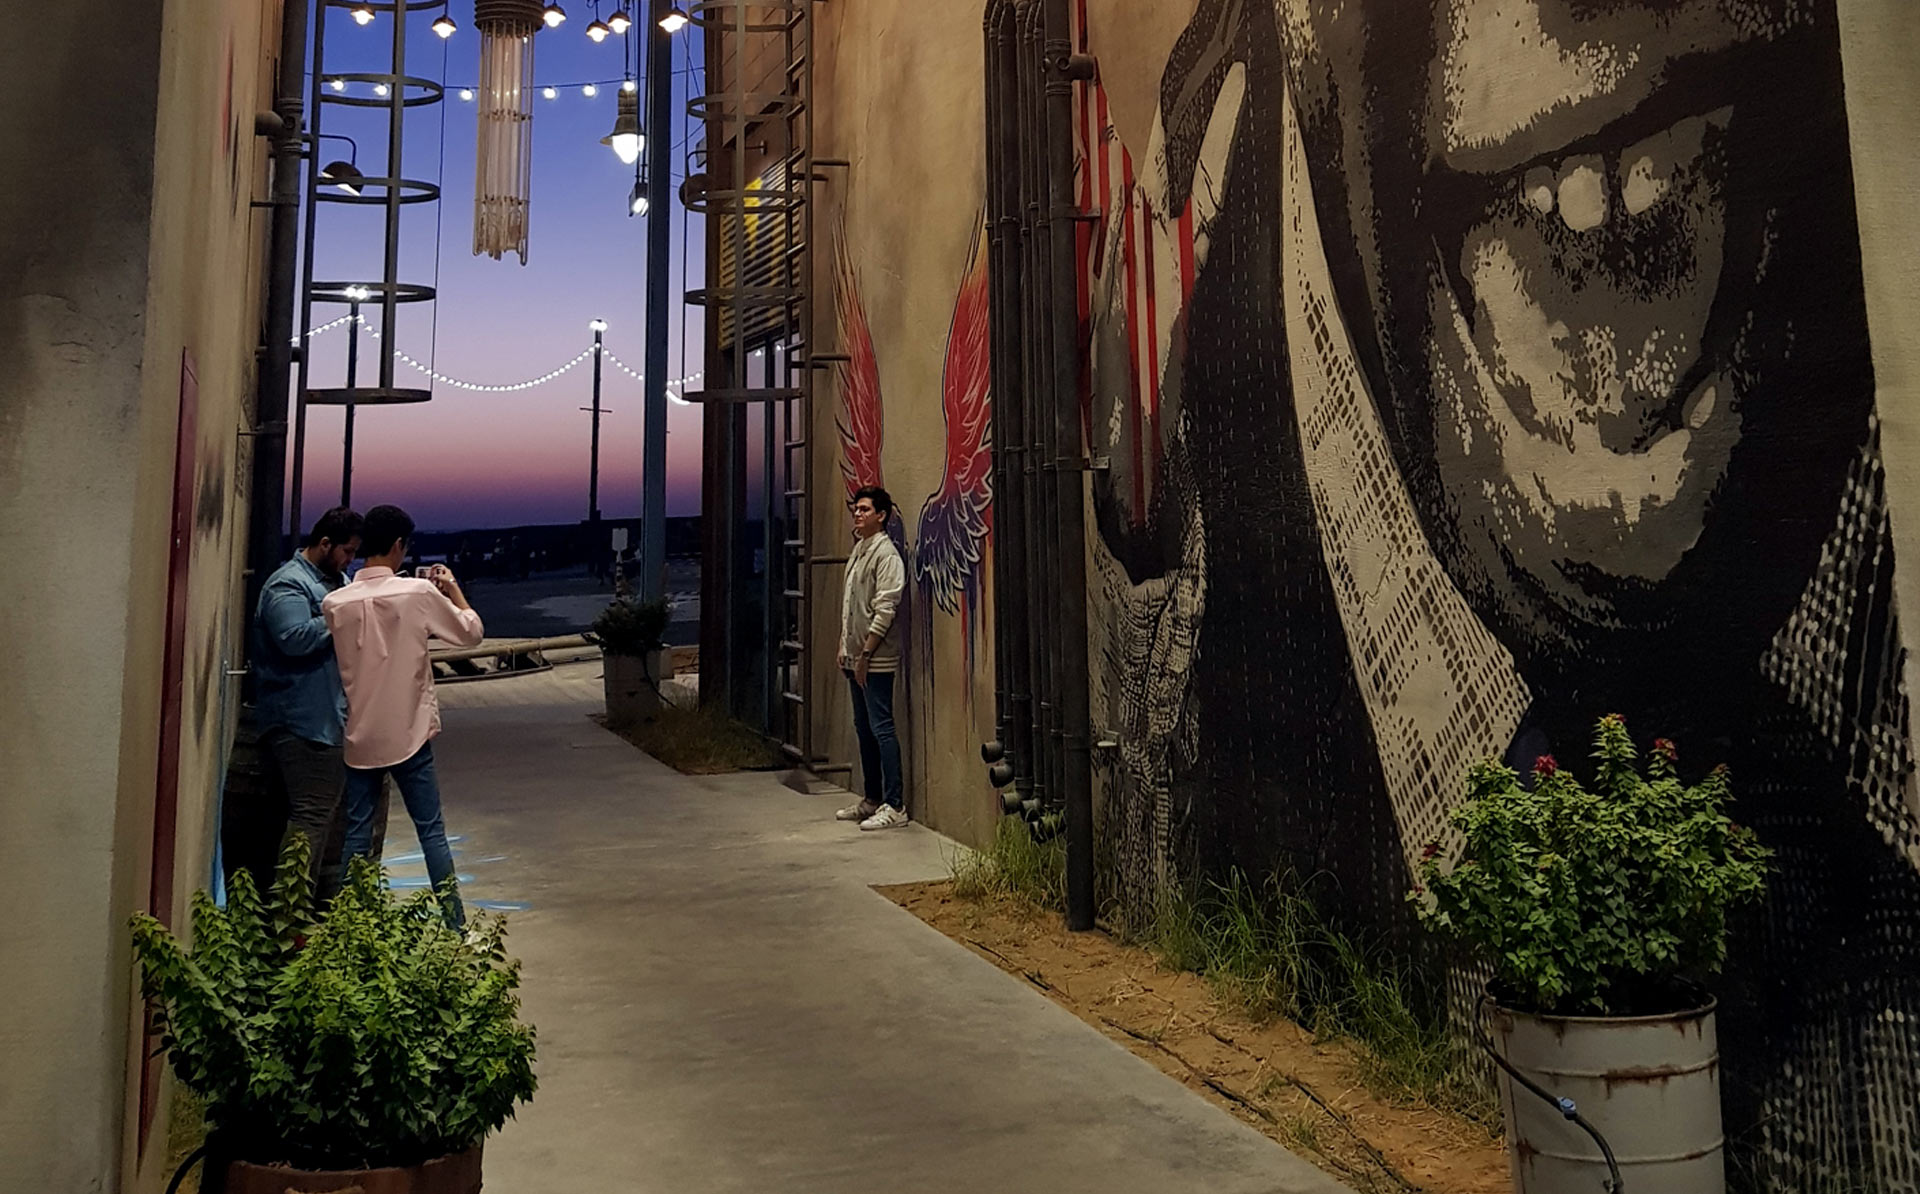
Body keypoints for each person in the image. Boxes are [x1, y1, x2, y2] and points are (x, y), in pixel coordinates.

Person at [324, 504, 485, 926]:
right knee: (430, 831)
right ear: (398, 545)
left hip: (361, 735)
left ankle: (346, 930)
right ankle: (454, 927)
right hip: (409, 732)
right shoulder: (417, 593)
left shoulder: (334, 603)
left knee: (357, 836)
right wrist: (451, 589)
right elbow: (470, 633)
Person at [243, 506, 385, 898]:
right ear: (325, 543)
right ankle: (289, 910)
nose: (351, 560)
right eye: (347, 551)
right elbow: (294, 638)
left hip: (329, 717)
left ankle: (307, 905)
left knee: (321, 817)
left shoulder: (334, 580)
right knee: (311, 815)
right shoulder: (286, 585)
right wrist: (346, 613)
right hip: (302, 720)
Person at [834, 486, 908, 830]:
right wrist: (844, 647)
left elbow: (886, 608)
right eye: (856, 509)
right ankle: (872, 798)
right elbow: (852, 606)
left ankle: (895, 805)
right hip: (855, 657)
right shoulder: (860, 550)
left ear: (881, 515)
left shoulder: (886, 555)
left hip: (875, 659)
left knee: (881, 727)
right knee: (864, 729)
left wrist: (865, 653)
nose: (858, 514)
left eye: (864, 509)